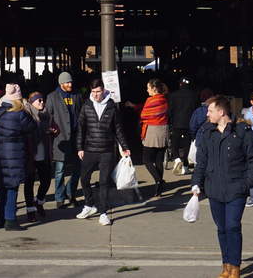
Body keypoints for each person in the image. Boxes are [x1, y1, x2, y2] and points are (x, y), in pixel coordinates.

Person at [191, 95, 253, 278]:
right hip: (214, 189)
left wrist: (248, 182)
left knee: (232, 226)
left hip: (236, 188)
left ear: (221, 112)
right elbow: (201, 161)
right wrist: (196, 183)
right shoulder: (208, 133)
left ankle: (235, 266)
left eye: (210, 110)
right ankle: (226, 264)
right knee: (221, 228)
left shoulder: (242, 131)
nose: (207, 114)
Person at [76, 79, 130, 226]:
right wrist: (79, 147)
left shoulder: (112, 106)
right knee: (84, 179)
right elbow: (81, 128)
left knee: (104, 182)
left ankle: (103, 213)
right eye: (93, 92)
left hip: (106, 150)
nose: (95, 95)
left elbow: (118, 129)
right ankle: (89, 205)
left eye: (98, 92)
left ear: (104, 90)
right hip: (89, 149)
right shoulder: (86, 105)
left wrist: (125, 147)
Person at [0, 91, 38, 231]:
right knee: (12, 188)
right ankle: (10, 220)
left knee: (3, 189)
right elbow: (33, 126)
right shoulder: (20, 114)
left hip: (0, 154)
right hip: (14, 155)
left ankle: (1, 218)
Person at [47, 71, 82, 208]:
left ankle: (71, 193)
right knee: (59, 170)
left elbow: (81, 113)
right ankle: (59, 197)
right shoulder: (52, 97)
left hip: (76, 137)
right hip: (60, 138)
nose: (70, 84)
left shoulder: (77, 95)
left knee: (78, 168)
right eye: (67, 82)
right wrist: (50, 128)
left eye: (71, 82)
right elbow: (48, 115)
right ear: (61, 83)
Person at [23, 91, 56, 221]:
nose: (42, 102)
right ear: (32, 103)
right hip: (31, 154)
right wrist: (43, 130)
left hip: (44, 153)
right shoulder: (26, 115)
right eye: (39, 101)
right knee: (29, 182)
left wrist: (54, 131)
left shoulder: (47, 114)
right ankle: (30, 209)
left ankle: (40, 200)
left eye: (42, 100)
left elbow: (54, 126)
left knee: (46, 180)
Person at [138, 78, 169, 197]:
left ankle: (158, 180)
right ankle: (159, 187)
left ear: (154, 88)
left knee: (146, 160)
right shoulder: (165, 99)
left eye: (148, 88)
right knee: (159, 160)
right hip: (163, 130)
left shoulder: (151, 100)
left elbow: (144, 115)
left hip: (152, 130)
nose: (147, 90)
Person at [168, 76, 198, 174]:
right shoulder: (194, 95)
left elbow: (170, 110)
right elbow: (196, 110)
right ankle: (185, 166)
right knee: (187, 144)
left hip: (176, 122)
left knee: (174, 142)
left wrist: (170, 121)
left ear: (180, 84)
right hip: (189, 123)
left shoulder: (173, 95)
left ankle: (177, 159)